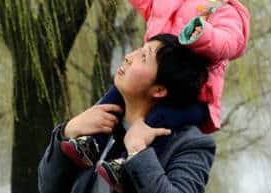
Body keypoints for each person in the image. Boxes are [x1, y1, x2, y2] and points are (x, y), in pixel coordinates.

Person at [61, 0, 250, 190]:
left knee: (158, 126)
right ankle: (90, 146)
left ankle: (126, 164)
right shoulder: (161, 0)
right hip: (146, 79)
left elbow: (231, 42)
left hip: (192, 94)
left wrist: (201, 35)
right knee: (107, 106)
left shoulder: (220, 7)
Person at [38, 34, 215, 193]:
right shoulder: (102, 120)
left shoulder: (190, 144)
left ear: (159, 90)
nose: (129, 57)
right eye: (138, 50)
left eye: (144, 57)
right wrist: (67, 132)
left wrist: (138, 151)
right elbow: (48, 187)